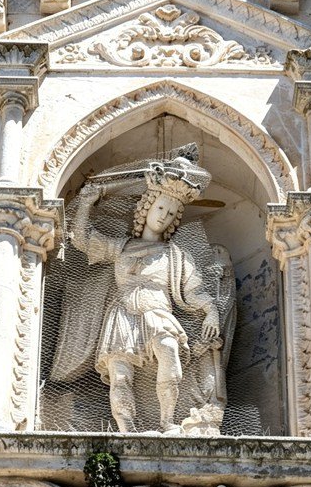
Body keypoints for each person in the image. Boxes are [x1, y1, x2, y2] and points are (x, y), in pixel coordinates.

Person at [70, 154, 220, 434]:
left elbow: (195, 289)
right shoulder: (122, 248)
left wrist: (210, 309)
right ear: (147, 207)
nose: (164, 216)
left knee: (170, 354)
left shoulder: (177, 256)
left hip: (158, 312)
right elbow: (83, 239)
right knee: (120, 376)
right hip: (123, 313)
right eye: (161, 207)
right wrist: (86, 205)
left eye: (172, 213)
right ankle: (126, 428)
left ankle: (167, 421)